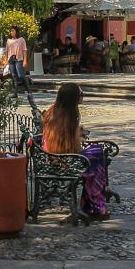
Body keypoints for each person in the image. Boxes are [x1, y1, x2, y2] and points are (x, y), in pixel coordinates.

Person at [41, 83, 109, 218]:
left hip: (54, 157)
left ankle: (94, 201)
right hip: (64, 159)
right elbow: (70, 146)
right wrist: (79, 140)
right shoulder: (70, 116)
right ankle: (95, 203)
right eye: (80, 94)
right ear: (73, 98)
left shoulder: (53, 111)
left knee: (96, 154)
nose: (82, 96)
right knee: (97, 153)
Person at [4, 26, 28, 92]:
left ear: (16, 31)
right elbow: (6, 51)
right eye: (11, 31)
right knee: (14, 76)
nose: (11, 32)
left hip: (19, 59)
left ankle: (28, 89)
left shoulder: (21, 39)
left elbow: (24, 50)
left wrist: (25, 60)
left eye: (13, 30)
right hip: (11, 59)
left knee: (21, 75)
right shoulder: (8, 40)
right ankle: (15, 92)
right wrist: (6, 60)